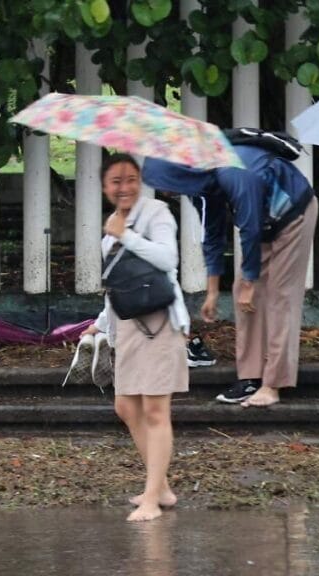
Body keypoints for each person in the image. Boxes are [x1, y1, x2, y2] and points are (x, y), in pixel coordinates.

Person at [142, 145, 317, 408]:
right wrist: (212, 291)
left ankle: (273, 385)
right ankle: (250, 378)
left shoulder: (233, 172)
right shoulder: (201, 180)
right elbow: (212, 234)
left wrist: (250, 280)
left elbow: (249, 228)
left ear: (176, 172)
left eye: (165, 184)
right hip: (265, 222)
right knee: (241, 293)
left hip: (293, 212)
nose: (166, 193)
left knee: (280, 296)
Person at [81, 153, 189, 522]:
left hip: (160, 322)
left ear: (140, 181)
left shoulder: (157, 213)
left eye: (131, 179)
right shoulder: (110, 226)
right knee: (126, 407)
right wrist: (101, 323)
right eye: (116, 181)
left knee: (156, 410)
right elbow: (116, 283)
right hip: (128, 324)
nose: (124, 187)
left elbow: (168, 260)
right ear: (104, 186)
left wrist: (125, 235)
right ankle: (162, 488)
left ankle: (152, 500)